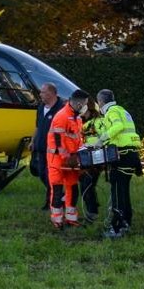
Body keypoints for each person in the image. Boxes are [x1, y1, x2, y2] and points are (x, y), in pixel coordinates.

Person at [87, 89, 143, 238]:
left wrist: (102, 139)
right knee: (123, 190)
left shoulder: (112, 112)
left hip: (122, 155)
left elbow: (117, 128)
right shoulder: (122, 110)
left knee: (117, 191)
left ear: (101, 102)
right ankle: (126, 222)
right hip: (131, 155)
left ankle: (116, 227)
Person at [46, 89, 89, 228]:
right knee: (57, 190)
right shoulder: (62, 116)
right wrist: (68, 157)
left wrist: (80, 155)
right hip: (57, 159)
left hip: (71, 160)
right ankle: (57, 219)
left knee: (72, 188)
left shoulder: (77, 118)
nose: (85, 106)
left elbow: (78, 139)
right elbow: (58, 142)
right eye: (84, 103)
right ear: (77, 103)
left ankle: (71, 217)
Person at [31, 82, 64, 210]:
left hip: (54, 150)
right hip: (40, 147)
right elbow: (38, 126)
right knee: (42, 173)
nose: (40, 94)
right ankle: (59, 196)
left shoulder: (61, 109)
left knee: (50, 175)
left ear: (51, 93)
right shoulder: (40, 107)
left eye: (43, 92)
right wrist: (33, 141)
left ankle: (52, 201)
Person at [79, 97, 103, 223]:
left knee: (86, 186)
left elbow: (104, 137)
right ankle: (93, 208)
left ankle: (92, 213)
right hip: (86, 157)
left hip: (96, 159)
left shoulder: (98, 122)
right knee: (86, 185)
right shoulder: (83, 121)